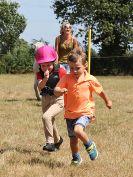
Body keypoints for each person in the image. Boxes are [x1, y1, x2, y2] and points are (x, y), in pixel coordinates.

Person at [54, 48, 112, 165]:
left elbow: (100, 91)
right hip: (70, 113)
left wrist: (107, 101)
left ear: (85, 65)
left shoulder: (90, 79)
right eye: (71, 68)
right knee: (73, 140)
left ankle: (90, 145)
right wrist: (60, 91)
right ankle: (76, 158)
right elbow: (56, 90)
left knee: (78, 130)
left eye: (77, 68)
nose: (74, 71)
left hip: (85, 112)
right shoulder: (66, 78)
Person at [35, 45, 67, 152]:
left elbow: (68, 84)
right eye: (43, 65)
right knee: (49, 120)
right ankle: (58, 140)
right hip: (45, 99)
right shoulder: (39, 73)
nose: (46, 68)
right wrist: (45, 78)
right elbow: (40, 87)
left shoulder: (61, 71)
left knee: (46, 117)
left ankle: (50, 142)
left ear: (54, 62)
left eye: (49, 65)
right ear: (39, 65)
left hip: (58, 99)